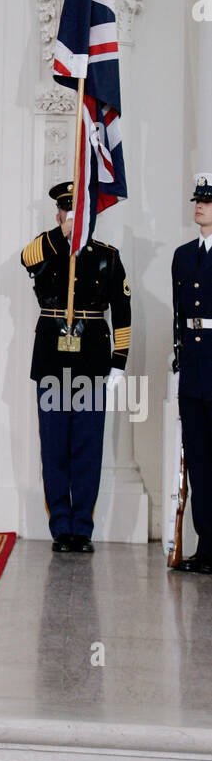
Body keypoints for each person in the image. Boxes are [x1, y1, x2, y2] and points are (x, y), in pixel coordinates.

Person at [21, 180, 131, 554]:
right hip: (52, 360)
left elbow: (123, 314)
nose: (74, 217)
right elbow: (26, 257)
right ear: (60, 214)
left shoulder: (107, 257)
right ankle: (61, 527)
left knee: (86, 446)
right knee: (54, 447)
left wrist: (119, 364)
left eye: (80, 212)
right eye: (68, 211)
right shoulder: (47, 250)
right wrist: (61, 234)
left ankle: (82, 527)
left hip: (91, 363)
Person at [170, 172, 212, 574]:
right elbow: (179, 316)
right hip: (194, 374)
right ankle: (205, 548)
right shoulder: (184, 255)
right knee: (198, 462)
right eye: (197, 200)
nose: (199, 206)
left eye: (207, 201)